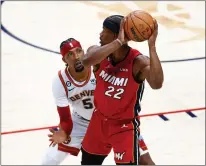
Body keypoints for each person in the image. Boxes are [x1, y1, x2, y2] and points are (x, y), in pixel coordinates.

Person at [42, 37, 155, 165]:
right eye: (70, 54)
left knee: (145, 161)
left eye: (79, 51)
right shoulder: (60, 81)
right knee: (49, 160)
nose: (76, 56)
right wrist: (64, 132)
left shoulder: (98, 66)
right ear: (64, 59)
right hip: (80, 122)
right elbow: (65, 118)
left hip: (113, 121)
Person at [79, 15, 163, 165]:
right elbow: (86, 61)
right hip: (99, 121)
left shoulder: (138, 62)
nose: (101, 34)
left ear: (116, 34)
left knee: (146, 162)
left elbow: (157, 83)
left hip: (124, 127)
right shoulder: (97, 53)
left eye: (105, 31)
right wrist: (118, 42)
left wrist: (152, 47)